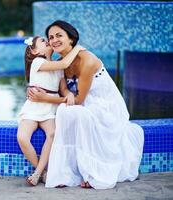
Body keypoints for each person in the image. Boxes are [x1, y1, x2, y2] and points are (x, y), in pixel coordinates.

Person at [27, 20, 144, 189]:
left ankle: (92, 174)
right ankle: (65, 173)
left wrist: (44, 98)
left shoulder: (87, 60)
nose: (53, 40)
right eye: (50, 37)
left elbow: (79, 100)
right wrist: (34, 92)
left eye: (59, 35)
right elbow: (62, 90)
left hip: (105, 106)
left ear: (71, 39)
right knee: (66, 111)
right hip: (83, 102)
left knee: (75, 113)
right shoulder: (61, 62)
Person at [17, 36, 84, 186]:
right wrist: (77, 49)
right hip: (33, 107)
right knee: (22, 137)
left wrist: (69, 95)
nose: (46, 40)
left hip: (50, 108)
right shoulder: (37, 62)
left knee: (52, 134)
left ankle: (37, 174)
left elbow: (63, 89)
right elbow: (65, 62)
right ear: (34, 51)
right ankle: (42, 172)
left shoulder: (58, 67)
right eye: (42, 41)